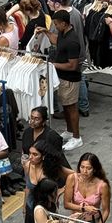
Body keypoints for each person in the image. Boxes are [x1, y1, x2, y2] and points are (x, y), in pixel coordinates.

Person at [45, 0, 90, 118]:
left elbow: (56, 40)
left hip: (70, 55)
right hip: (80, 51)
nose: (48, 4)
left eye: (49, 2)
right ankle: (84, 106)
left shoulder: (60, 18)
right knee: (80, 77)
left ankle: (72, 108)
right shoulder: (75, 12)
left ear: (57, 4)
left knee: (75, 79)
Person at [48, 10, 83, 152]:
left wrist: (53, 65)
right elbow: (57, 41)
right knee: (66, 107)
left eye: (56, 24)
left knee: (71, 108)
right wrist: (46, 32)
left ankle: (76, 137)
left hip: (70, 80)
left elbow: (73, 65)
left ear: (64, 23)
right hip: (63, 78)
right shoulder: (64, 33)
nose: (55, 26)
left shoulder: (72, 41)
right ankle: (69, 131)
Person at [23, 143, 72, 223]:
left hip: (47, 207)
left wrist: (62, 190)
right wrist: (24, 205)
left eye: (35, 154)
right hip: (31, 206)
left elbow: (73, 175)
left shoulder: (51, 168)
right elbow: (27, 187)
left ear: (43, 156)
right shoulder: (27, 165)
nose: (30, 157)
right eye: (30, 153)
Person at [64, 152, 111, 223]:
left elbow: (106, 210)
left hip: (93, 221)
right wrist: (84, 208)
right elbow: (66, 204)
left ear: (95, 169)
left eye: (89, 168)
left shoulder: (102, 186)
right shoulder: (72, 178)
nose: (84, 171)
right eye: (82, 167)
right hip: (75, 220)